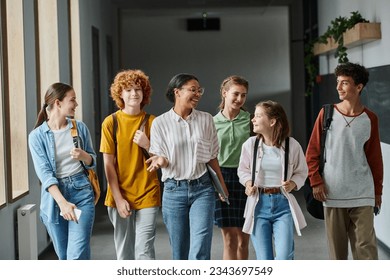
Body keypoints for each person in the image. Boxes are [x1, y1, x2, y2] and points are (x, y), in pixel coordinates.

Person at [146, 73, 229, 260]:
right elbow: (162, 157)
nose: (198, 94)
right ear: (177, 92)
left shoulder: (206, 119)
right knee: (180, 251)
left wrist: (221, 187)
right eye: (193, 90)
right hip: (174, 191)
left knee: (200, 245)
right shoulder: (160, 123)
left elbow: (212, 157)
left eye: (199, 90)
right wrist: (160, 161)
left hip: (203, 189)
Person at [306, 62, 383, 260]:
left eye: (345, 83)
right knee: (338, 254)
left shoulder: (370, 119)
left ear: (359, 87)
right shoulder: (327, 114)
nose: (339, 87)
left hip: (362, 193)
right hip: (333, 193)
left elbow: (375, 159)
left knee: (366, 249)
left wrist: (377, 192)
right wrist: (316, 181)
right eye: (338, 82)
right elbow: (312, 152)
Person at [28, 82, 97, 260]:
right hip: (54, 199)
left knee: (76, 255)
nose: (76, 104)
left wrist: (84, 156)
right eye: (72, 100)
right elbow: (44, 173)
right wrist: (62, 203)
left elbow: (92, 160)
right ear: (58, 103)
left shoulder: (79, 128)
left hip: (81, 193)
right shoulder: (36, 136)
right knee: (65, 257)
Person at [100, 69, 161, 260]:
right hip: (120, 192)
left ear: (144, 93)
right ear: (120, 94)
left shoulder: (153, 122)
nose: (134, 93)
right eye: (128, 90)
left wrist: (148, 144)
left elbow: (163, 159)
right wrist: (118, 199)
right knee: (124, 253)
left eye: (138, 89)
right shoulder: (111, 122)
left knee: (144, 250)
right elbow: (108, 165)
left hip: (147, 191)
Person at [237, 100, 308, 260]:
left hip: (283, 205)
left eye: (258, 116)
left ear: (272, 121)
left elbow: (302, 171)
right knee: (264, 260)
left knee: (284, 257)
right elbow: (243, 170)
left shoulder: (292, 145)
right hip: (258, 205)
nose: (252, 120)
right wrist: (248, 183)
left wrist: (293, 183)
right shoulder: (250, 145)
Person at [213, 75, 251, 260]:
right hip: (222, 177)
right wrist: (217, 184)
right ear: (224, 93)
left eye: (243, 95)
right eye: (236, 94)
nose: (239, 99)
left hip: (247, 179)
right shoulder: (211, 123)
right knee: (229, 239)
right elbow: (209, 157)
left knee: (244, 240)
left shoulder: (251, 120)